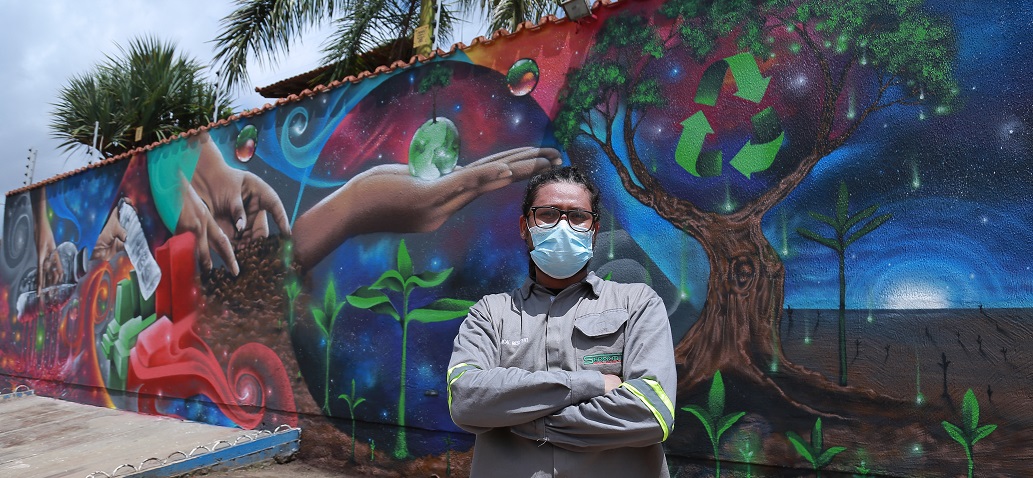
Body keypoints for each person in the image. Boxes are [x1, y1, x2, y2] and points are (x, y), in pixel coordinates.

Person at [447, 166, 677, 477]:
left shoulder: (638, 303)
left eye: (577, 217)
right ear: (524, 226)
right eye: (548, 215)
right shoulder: (489, 314)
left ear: (594, 230)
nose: (563, 226)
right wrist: (589, 383)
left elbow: (652, 412)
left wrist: (515, 416)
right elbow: (465, 399)